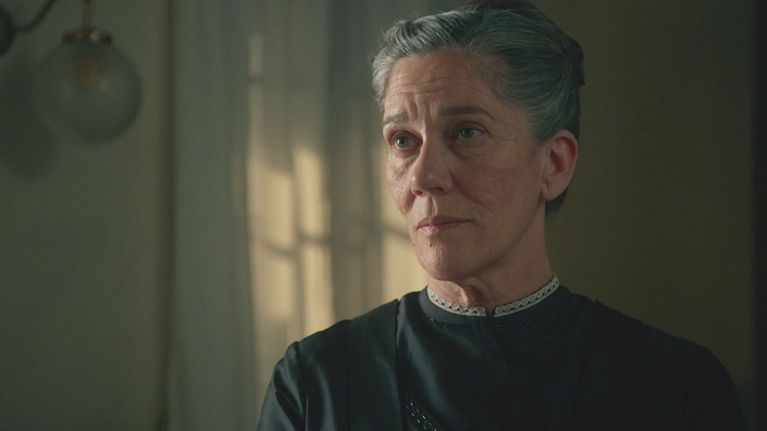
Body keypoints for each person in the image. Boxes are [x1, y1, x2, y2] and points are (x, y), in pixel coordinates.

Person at [257, 1, 746, 429]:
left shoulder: (676, 387)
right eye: (403, 140)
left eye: (467, 132)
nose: (424, 175)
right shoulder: (315, 384)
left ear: (554, 164)